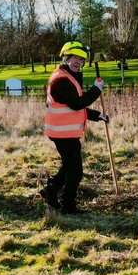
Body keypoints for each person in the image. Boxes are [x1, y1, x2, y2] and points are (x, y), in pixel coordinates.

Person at [41, 41, 106, 214]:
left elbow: (72, 107)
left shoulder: (67, 76)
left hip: (65, 132)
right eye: (74, 58)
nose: (78, 62)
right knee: (75, 172)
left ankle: (51, 189)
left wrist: (96, 115)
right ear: (66, 58)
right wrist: (96, 90)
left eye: (81, 59)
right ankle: (68, 207)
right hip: (62, 133)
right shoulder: (61, 80)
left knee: (69, 166)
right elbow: (77, 104)